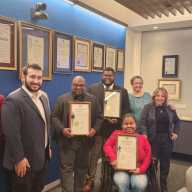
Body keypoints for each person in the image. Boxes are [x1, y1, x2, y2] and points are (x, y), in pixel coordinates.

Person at [1, 64, 51, 192]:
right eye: (32, 76)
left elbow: (45, 123)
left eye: (39, 77)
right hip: (24, 162)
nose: (36, 81)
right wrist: (19, 158)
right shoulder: (13, 99)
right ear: (24, 77)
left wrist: (48, 146)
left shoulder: (44, 97)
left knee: (38, 188)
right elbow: (11, 133)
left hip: (41, 157)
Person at [83, 67, 131, 191]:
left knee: (110, 158)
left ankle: (106, 181)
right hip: (97, 131)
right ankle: (90, 180)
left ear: (114, 76)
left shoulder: (122, 91)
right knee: (93, 157)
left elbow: (126, 110)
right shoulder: (92, 89)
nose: (107, 78)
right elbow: (88, 109)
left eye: (110, 75)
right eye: (105, 75)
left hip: (114, 131)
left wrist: (119, 119)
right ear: (102, 75)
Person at [52, 76, 102, 192]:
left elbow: (100, 117)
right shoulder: (62, 99)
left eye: (81, 85)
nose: (78, 87)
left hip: (85, 142)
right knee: (66, 170)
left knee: (82, 169)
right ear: (71, 85)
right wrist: (62, 129)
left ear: (85, 86)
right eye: (75, 85)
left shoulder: (93, 100)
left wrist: (94, 129)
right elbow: (54, 117)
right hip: (67, 141)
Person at [141, 87, 180, 192]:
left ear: (165, 98)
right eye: (158, 95)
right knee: (153, 165)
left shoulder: (169, 108)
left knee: (165, 165)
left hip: (167, 140)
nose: (160, 98)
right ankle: (152, 186)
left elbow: (177, 121)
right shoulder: (147, 107)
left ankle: (164, 187)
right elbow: (143, 123)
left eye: (163, 96)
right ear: (154, 96)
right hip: (153, 139)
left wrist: (176, 132)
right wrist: (144, 134)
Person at [103, 113, 151, 192]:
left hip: (137, 169)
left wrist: (141, 169)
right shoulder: (116, 134)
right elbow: (106, 146)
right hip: (120, 169)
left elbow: (148, 155)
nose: (129, 126)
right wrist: (113, 159)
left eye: (131, 123)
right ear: (122, 125)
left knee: (140, 184)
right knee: (121, 181)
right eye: (126, 124)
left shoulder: (142, 138)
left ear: (135, 125)